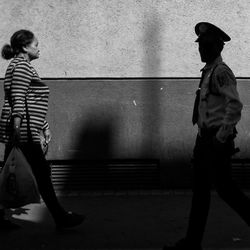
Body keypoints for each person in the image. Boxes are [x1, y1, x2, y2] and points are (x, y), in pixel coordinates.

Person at [163, 22, 250, 250]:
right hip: (205, 140)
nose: (200, 50)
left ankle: (192, 243)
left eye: (205, 46)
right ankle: (192, 243)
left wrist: (219, 139)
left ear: (216, 48)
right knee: (208, 192)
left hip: (215, 142)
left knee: (223, 191)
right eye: (200, 46)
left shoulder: (221, 72)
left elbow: (235, 107)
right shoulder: (209, 71)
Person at [0, 29, 85, 230]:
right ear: (24, 47)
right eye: (36, 45)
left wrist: (43, 126)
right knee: (41, 174)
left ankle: (59, 217)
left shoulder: (22, 66)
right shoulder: (21, 66)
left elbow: (30, 101)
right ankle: (60, 217)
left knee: (11, 173)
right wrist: (19, 130)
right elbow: (18, 99)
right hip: (24, 133)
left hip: (25, 129)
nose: (39, 49)